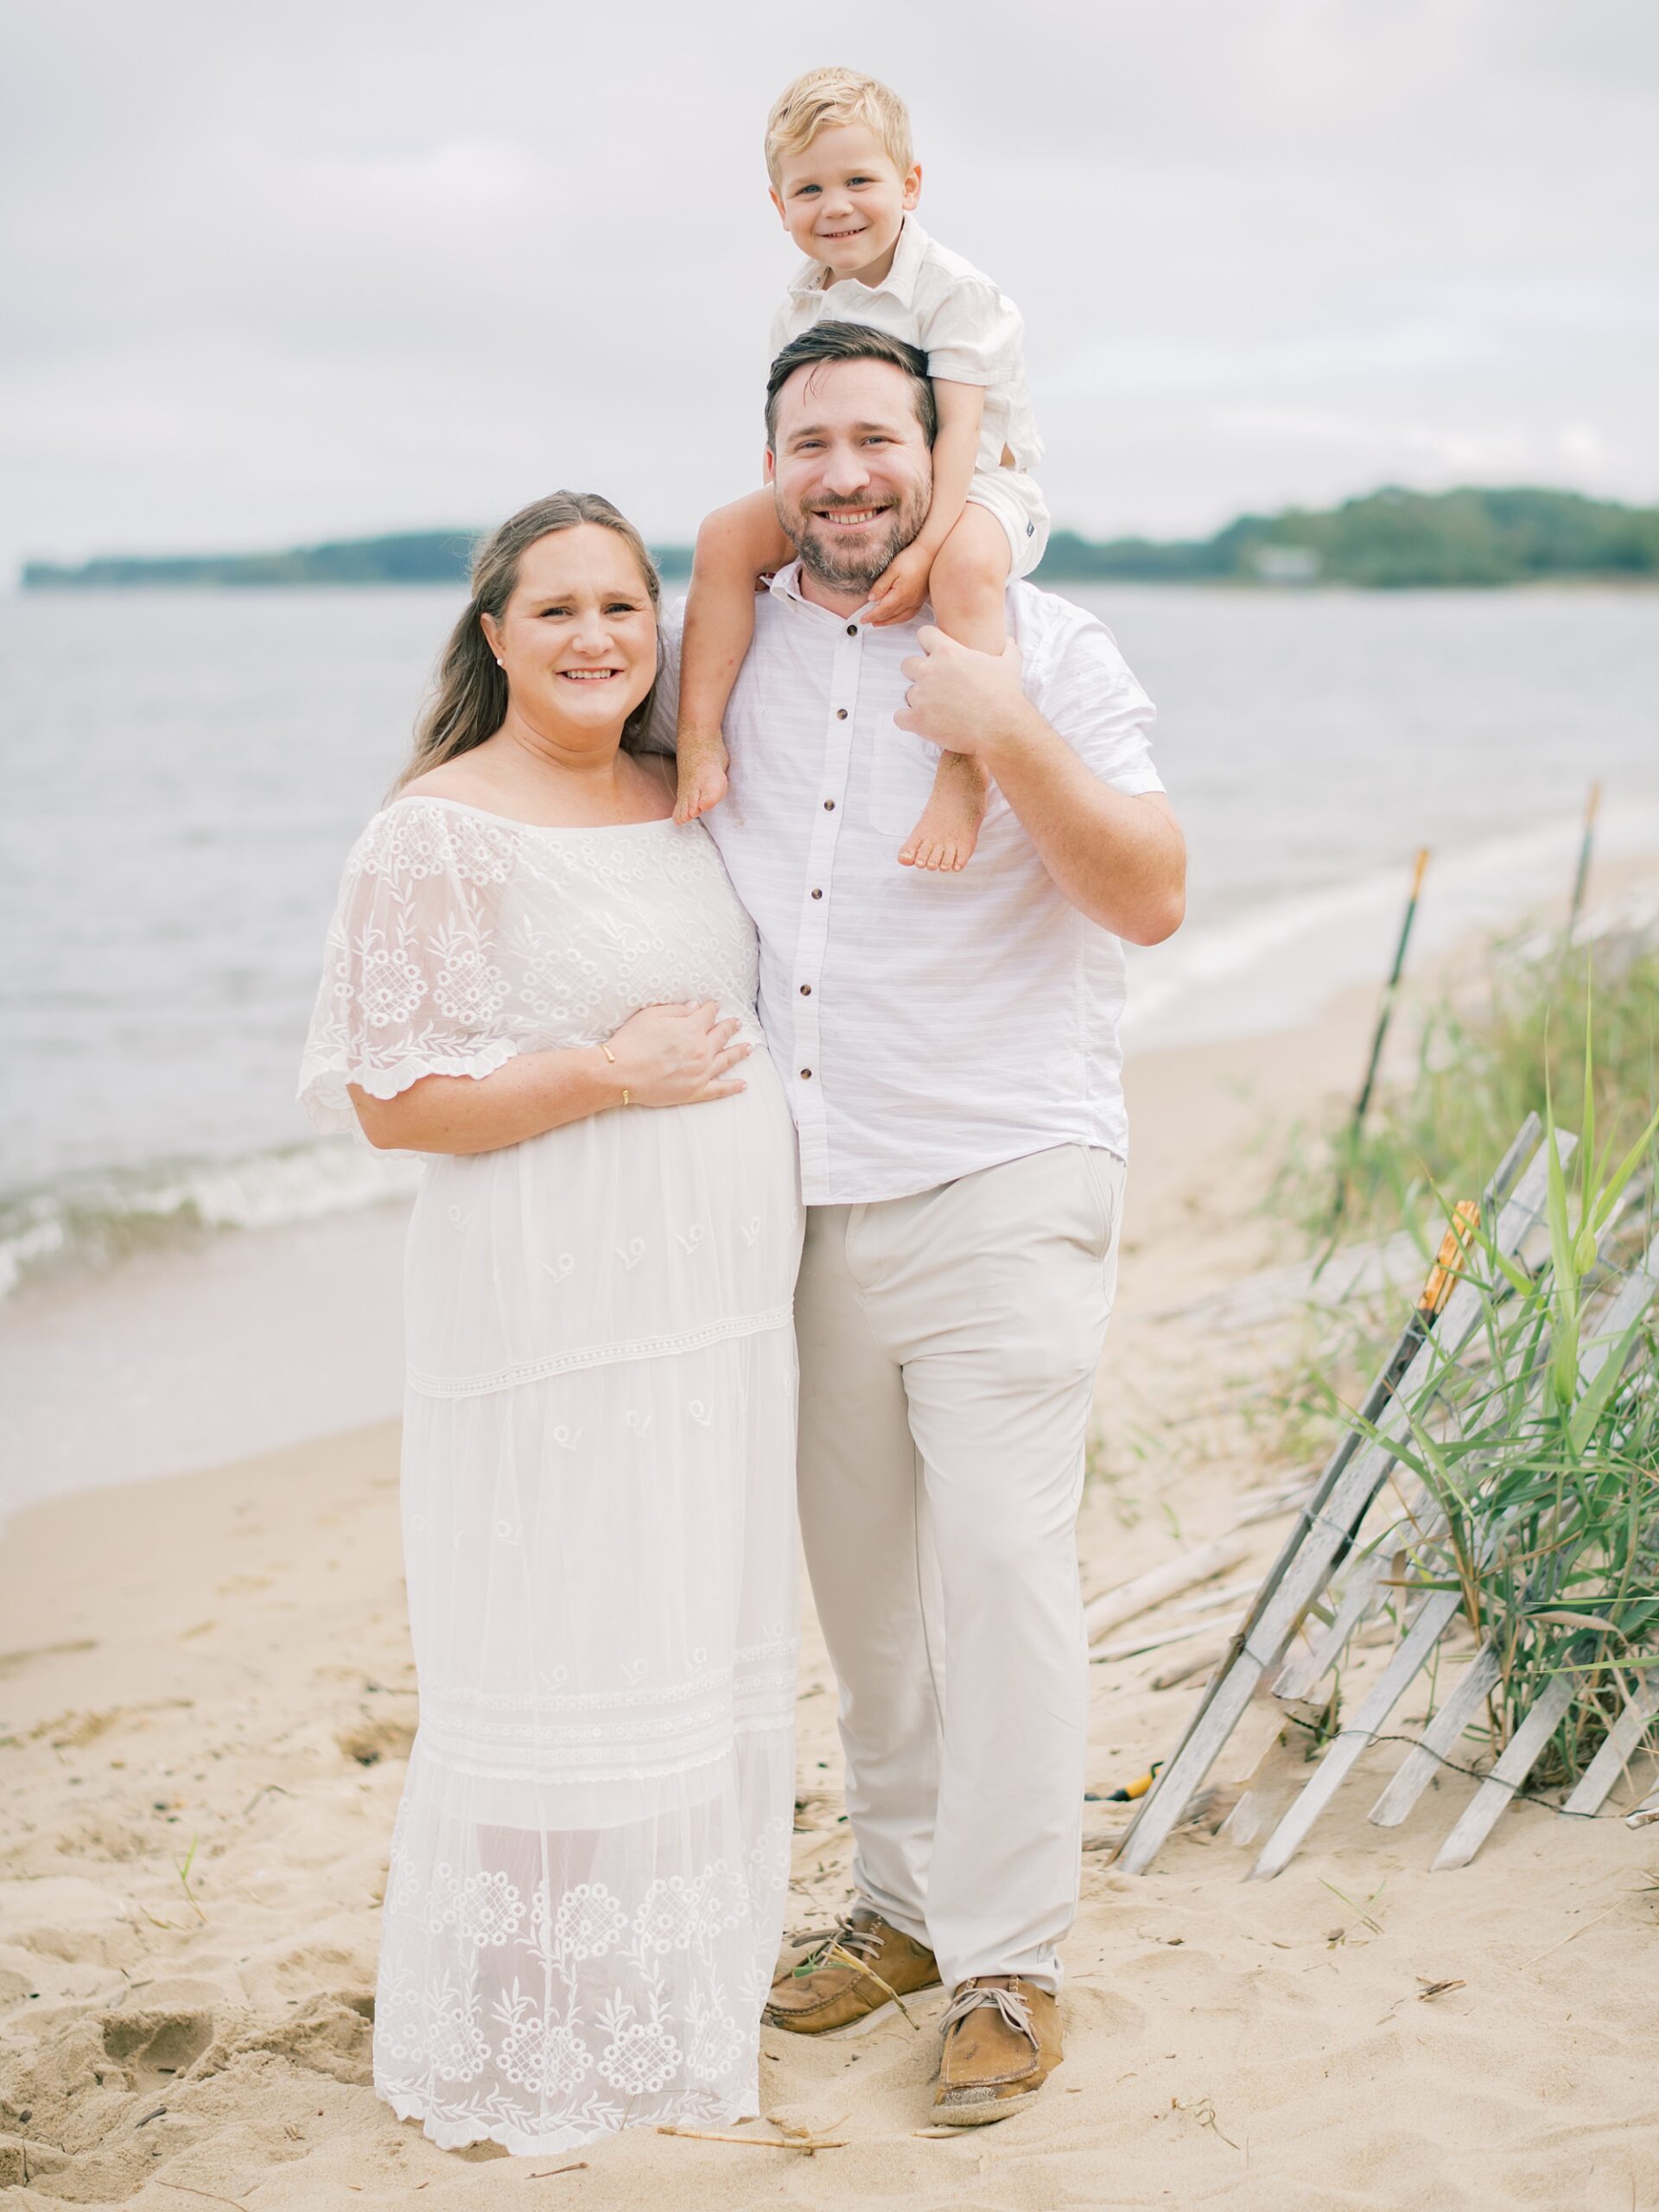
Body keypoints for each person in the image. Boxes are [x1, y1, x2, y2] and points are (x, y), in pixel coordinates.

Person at [646, 322, 1185, 2126]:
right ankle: (894, 1899)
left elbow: (1155, 894)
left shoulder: (1051, 642)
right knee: (865, 1588)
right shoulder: (726, 649)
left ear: (938, 454)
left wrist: (1006, 727)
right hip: (791, 1203)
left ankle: (1012, 1954)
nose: (848, 472)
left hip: (1003, 1168)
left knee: (1006, 1570)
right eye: (812, 443)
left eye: (879, 437)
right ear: (773, 467)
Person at [297, 493, 802, 2157]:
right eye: (559, 609)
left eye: (626, 607)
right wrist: (608, 1074)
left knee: (680, 1618)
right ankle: (536, 2020)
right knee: (558, 1621)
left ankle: (671, 1991)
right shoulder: (438, 832)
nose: (597, 638)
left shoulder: (689, 796)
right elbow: (393, 1102)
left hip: (711, 1322)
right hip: (547, 1315)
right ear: (495, 636)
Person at [673, 64, 1047, 875]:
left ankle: (963, 767)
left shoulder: (955, 292)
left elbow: (957, 437)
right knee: (722, 537)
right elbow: (797, 429)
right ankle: (698, 739)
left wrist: (919, 554)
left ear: (909, 184)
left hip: (977, 479)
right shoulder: (800, 307)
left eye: (858, 180)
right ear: (780, 208)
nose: (835, 207)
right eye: (808, 190)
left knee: (968, 567)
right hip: (858, 481)